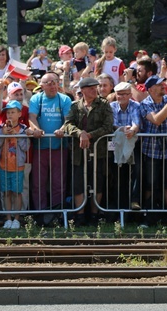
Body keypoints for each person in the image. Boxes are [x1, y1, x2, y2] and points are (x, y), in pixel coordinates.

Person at [62, 77, 113, 226]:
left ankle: (94, 214)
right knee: (79, 183)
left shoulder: (104, 104)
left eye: (95, 87)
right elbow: (68, 124)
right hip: (79, 152)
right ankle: (80, 215)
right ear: (83, 90)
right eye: (91, 88)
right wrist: (80, 133)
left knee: (97, 183)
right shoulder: (75, 106)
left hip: (99, 151)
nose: (94, 90)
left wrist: (90, 135)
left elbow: (108, 126)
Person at [139, 76, 167, 226]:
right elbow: (157, 120)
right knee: (150, 183)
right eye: (159, 85)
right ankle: (149, 215)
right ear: (151, 89)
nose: (163, 86)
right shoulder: (145, 104)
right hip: (151, 150)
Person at [27, 72, 72, 217]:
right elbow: (31, 117)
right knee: (37, 182)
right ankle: (41, 213)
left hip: (59, 146)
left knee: (59, 182)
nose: (53, 85)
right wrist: (36, 129)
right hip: (40, 147)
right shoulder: (36, 99)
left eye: (55, 82)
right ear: (42, 86)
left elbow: (68, 119)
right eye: (49, 83)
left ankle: (57, 212)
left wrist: (62, 129)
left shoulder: (64, 99)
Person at [0, 100, 30, 229]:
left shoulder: (24, 129)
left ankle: (17, 218)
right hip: (3, 165)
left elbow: (26, 147)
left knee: (17, 193)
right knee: (6, 192)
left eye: (13, 112)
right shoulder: (0, 128)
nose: (10, 115)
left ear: (19, 114)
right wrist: (2, 135)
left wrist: (17, 136)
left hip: (18, 167)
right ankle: (8, 218)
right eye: (8, 112)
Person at [110, 82, 142, 210]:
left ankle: (134, 201)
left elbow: (136, 122)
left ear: (130, 95)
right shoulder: (111, 106)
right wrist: (124, 129)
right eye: (119, 94)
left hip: (134, 143)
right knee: (119, 174)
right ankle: (120, 206)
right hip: (117, 145)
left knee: (137, 172)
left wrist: (132, 130)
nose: (121, 97)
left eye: (124, 94)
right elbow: (113, 124)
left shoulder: (136, 106)